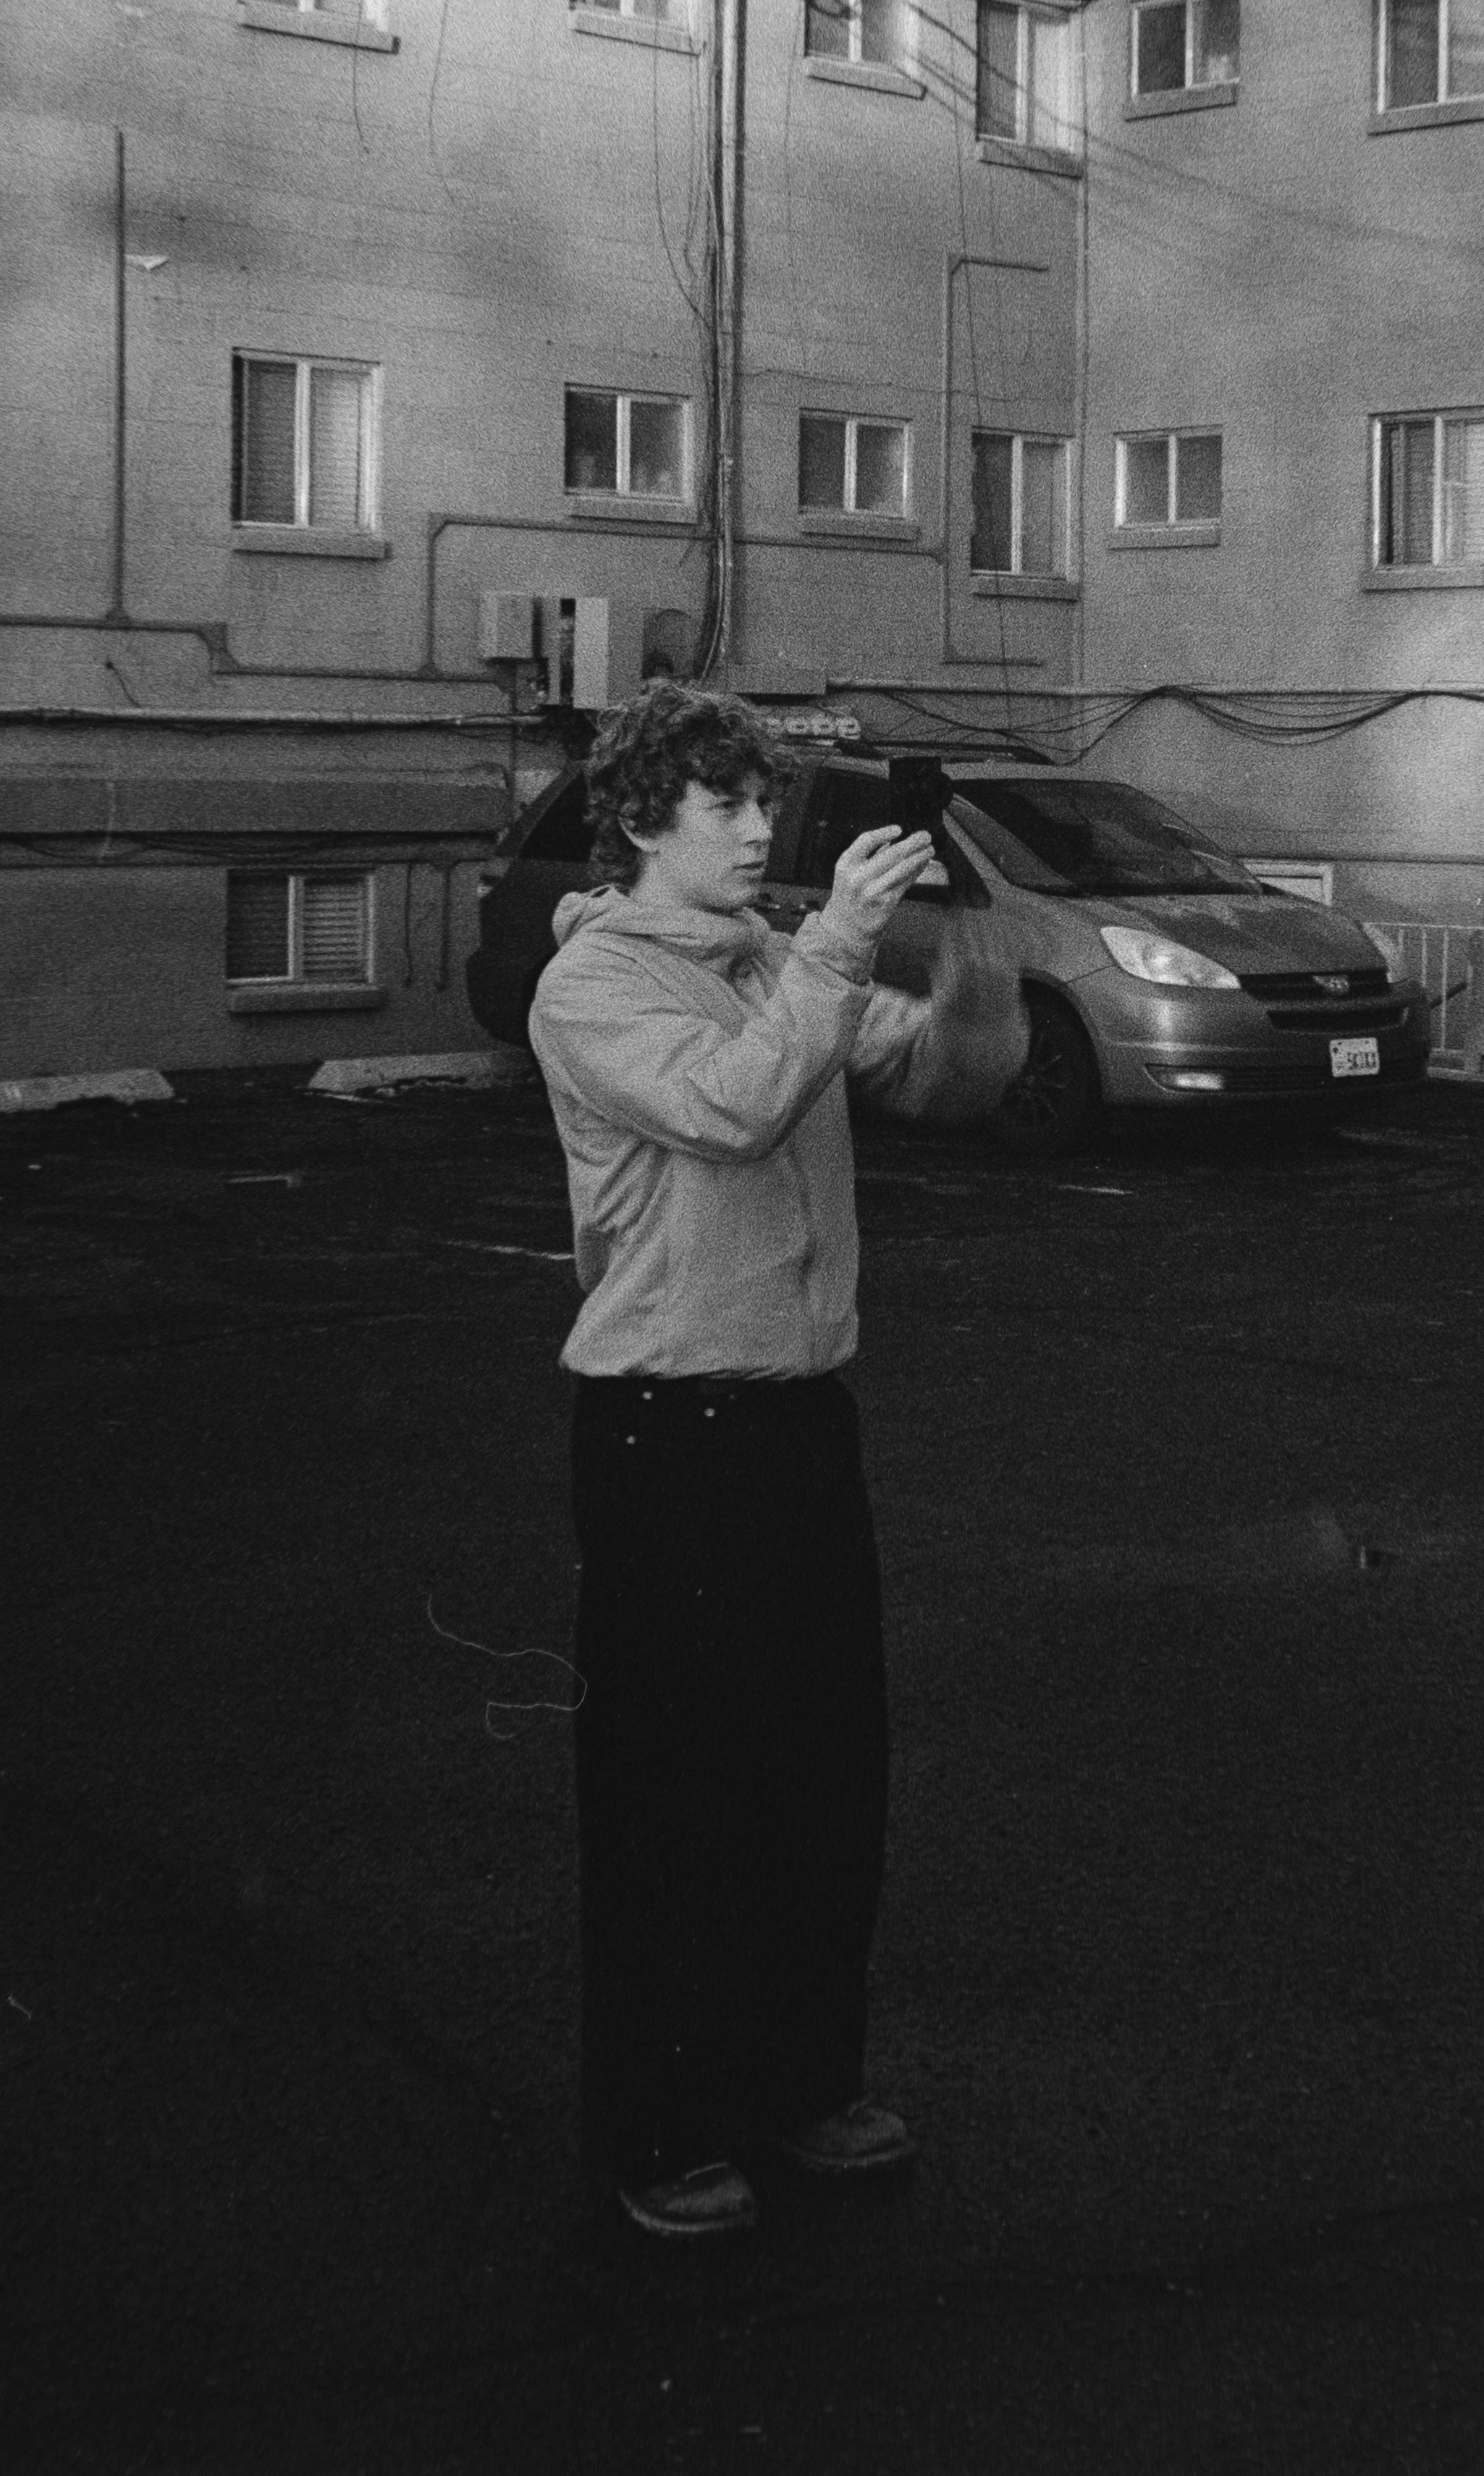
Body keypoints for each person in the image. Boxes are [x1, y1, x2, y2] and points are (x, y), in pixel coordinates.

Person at [528, 682, 1026, 2242]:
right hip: (672, 1429)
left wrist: (973, 961)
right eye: (728, 805)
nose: (763, 830)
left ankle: (801, 2082)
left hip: (803, 1419)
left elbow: (941, 1075)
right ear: (640, 821)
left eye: (766, 804)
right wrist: (832, 949)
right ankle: (661, 2125)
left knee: (821, 1779)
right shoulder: (595, 986)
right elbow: (734, 1110)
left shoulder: (766, 956)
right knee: (678, 1796)